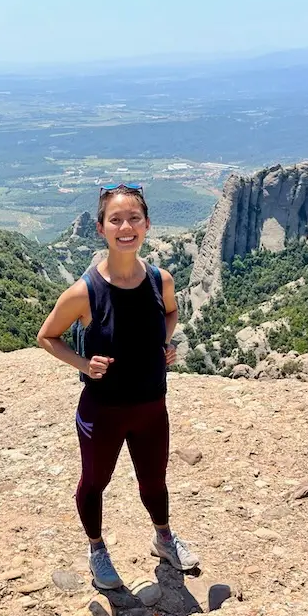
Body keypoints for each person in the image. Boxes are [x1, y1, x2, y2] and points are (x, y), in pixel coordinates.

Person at [36, 183, 199, 590]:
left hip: (150, 407)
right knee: (94, 483)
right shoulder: (84, 292)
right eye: (116, 220)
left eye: (134, 219)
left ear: (146, 225)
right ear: (101, 228)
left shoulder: (161, 279)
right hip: (102, 411)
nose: (125, 227)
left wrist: (163, 342)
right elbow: (47, 336)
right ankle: (97, 549)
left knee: (154, 480)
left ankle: (163, 537)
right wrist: (83, 365)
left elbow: (172, 313)